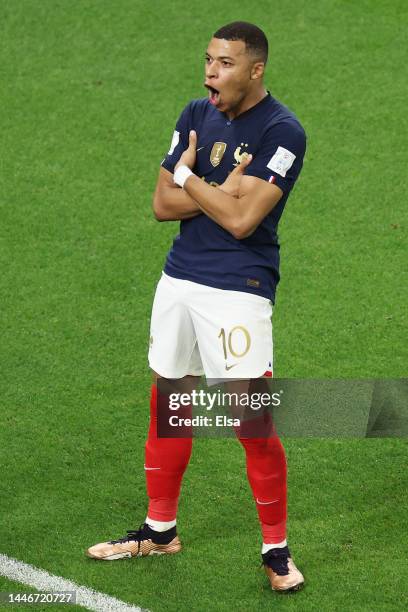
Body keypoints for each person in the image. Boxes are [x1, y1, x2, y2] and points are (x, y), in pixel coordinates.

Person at [86, 21, 307, 593]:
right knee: (170, 400)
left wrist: (190, 175)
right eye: (209, 60)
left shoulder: (283, 133)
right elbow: (161, 205)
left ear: (255, 70)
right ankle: (160, 531)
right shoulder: (194, 112)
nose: (211, 72)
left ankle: (276, 550)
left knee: (251, 420)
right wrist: (218, 188)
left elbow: (242, 219)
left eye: (225, 63)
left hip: (240, 287)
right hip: (179, 280)